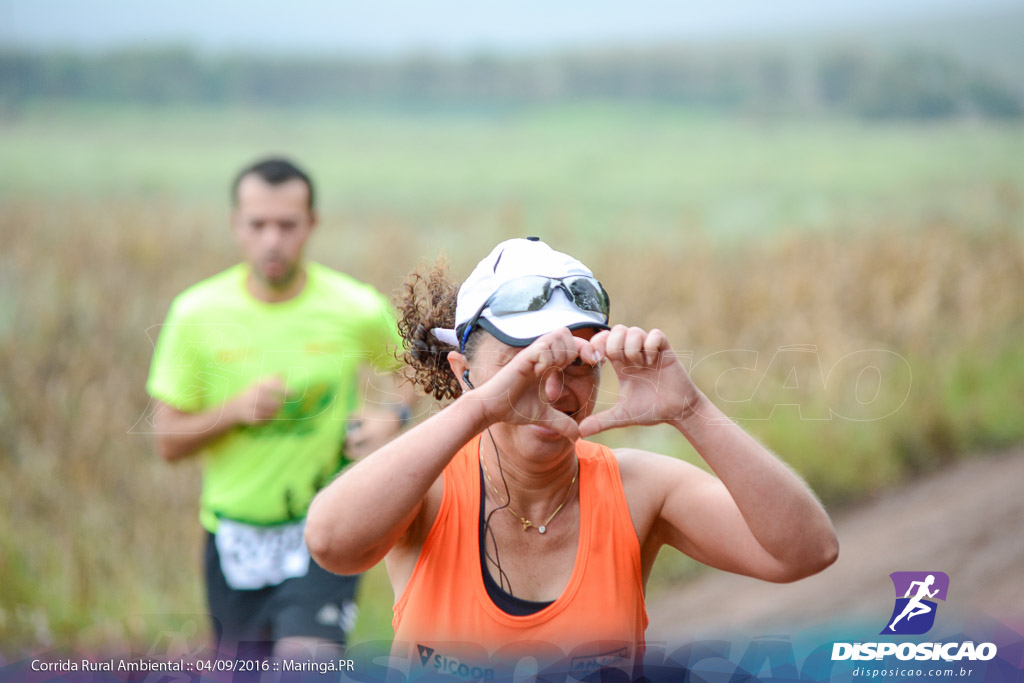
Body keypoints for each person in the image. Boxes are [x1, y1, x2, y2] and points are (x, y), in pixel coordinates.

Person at [305, 237, 839, 676]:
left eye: (578, 364)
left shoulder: (638, 491)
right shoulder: (429, 487)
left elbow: (805, 552)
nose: (555, 391)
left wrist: (690, 409)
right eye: (527, 363)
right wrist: (484, 407)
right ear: (463, 371)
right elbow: (331, 543)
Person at [146, 157, 415, 660]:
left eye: (287, 225)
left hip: (322, 526)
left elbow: (413, 370)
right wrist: (232, 411)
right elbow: (166, 442)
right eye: (258, 224)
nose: (273, 239)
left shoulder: (353, 307)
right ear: (236, 226)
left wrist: (392, 418)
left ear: (312, 225)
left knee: (306, 664)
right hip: (234, 538)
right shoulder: (196, 315)